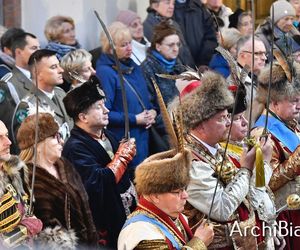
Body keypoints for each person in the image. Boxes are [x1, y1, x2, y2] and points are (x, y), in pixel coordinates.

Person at [176, 70, 272, 249]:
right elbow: (221, 209)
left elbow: (254, 193)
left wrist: (263, 164)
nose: (228, 123)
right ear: (201, 124)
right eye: (223, 118)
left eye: (229, 117)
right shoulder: (190, 162)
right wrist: (245, 169)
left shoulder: (220, 149)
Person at [62, 78, 137, 249]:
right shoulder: (75, 148)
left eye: (104, 105)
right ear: (83, 117)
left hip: (127, 213)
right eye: (98, 107)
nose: (107, 110)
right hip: (104, 225)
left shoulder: (108, 135)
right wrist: (122, 157)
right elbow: (97, 182)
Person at [17, 113, 98, 249]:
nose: (61, 141)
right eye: (56, 137)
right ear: (39, 143)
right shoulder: (27, 180)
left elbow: (86, 208)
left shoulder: (64, 165)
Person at [118, 145, 214, 249]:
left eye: (184, 189)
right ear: (155, 196)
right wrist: (199, 243)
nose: (186, 195)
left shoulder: (173, 215)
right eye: (178, 192)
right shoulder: (141, 232)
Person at [219, 85, 278, 248]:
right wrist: (264, 162)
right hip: (248, 235)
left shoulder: (241, 146)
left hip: (263, 227)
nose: (246, 122)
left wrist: (272, 225)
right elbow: (254, 197)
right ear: (223, 122)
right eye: (237, 119)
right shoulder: (226, 157)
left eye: (244, 116)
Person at [96, 22, 156, 174]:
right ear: (110, 48)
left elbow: (147, 98)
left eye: (130, 43)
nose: (129, 48)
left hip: (144, 139)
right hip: (124, 141)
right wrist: (136, 119)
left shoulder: (134, 66)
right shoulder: (106, 72)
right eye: (123, 45)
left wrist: (153, 112)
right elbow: (104, 112)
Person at [252, 61, 300, 249]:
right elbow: (263, 182)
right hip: (284, 215)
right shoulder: (260, 133)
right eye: (294, 101)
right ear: (274, 102)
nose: (299, 105)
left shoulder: (291, 123)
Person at [12, 49, 73, 152]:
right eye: (54, 67)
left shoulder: (60, 93)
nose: (61, 70)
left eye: (59, 65)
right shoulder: (28, 106)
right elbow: (27, 149)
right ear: (37, 73)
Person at [0, 120, 42, 249]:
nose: (8, 142)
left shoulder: (15, 170)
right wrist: (27, 228)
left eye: (6, 135)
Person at [0, 32, 40, 153]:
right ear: (18, 52)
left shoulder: (43, 79)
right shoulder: (8, 84)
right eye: (34, 48)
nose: (39, 52)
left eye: (39, 48)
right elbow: (12, 129)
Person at [141, 21, 185, 108]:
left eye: (178, 44)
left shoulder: (178, 65)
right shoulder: (147, 68)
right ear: (158, 46)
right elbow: (150, 105)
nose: (176, 49)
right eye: (170, 45)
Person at [143, 0, 195, 67]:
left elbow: (184, 50)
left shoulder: (173, 23)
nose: (172, 7)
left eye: (173, 3)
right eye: (167, 3)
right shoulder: (148, 27)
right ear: (155, 5)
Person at [174, 0, 218, 66]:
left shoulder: (200, 8)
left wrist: (202, 62)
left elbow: (210, 38)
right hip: (176, 67)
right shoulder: (166, 8)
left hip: (201, 66)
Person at [235, 35, 267, 117]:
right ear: (242, 55)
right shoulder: (236, 83)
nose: (264, 58)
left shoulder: (256, 76)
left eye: (264, 53)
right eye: (258, 53)